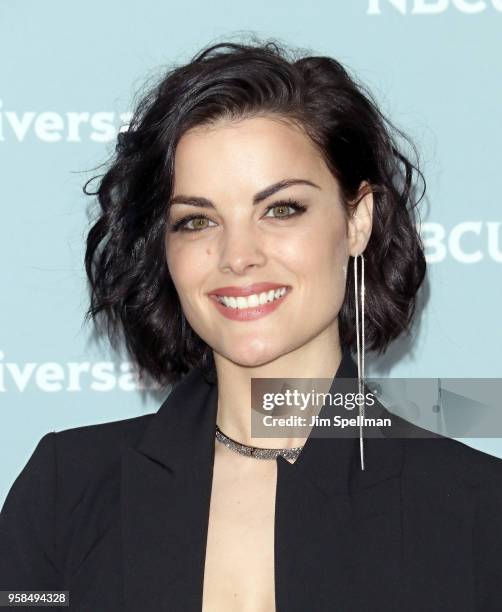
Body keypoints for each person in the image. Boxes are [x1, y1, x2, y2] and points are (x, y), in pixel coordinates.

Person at [1, 38, 501, 612]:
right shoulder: (69, 491)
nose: (237, 255)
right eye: (196, 221)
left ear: (358, 219)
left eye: (281, 209)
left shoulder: (476, 509)